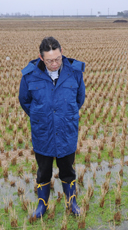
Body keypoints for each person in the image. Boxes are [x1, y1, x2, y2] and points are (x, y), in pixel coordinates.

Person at [18, 37, 85, 218]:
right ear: (41, 58)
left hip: (66, 130)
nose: (54, 63)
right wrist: (41, 116)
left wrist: (64, 115)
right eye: (49, 61)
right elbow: (24, 101)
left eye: (57, 59)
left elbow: (79, 99)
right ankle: (42, 205)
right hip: (43, 132)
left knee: (67, 169)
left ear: (61, 52)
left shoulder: (75, 72)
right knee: (44, 170)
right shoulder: (30, 75)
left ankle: (72, 203)